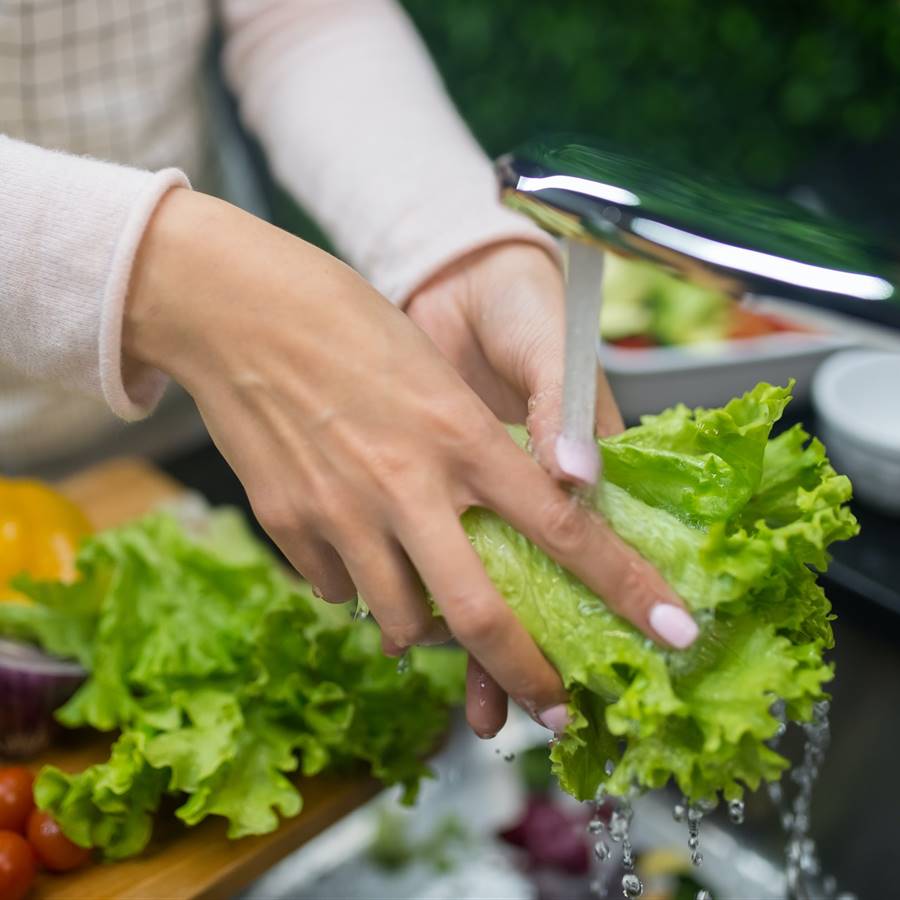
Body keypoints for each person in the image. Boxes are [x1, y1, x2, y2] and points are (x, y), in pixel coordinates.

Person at [0, 0, 697, 740]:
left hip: (202, 436)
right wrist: (159, 278)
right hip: (205, 363)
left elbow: (300, 17)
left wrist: (450, 247)